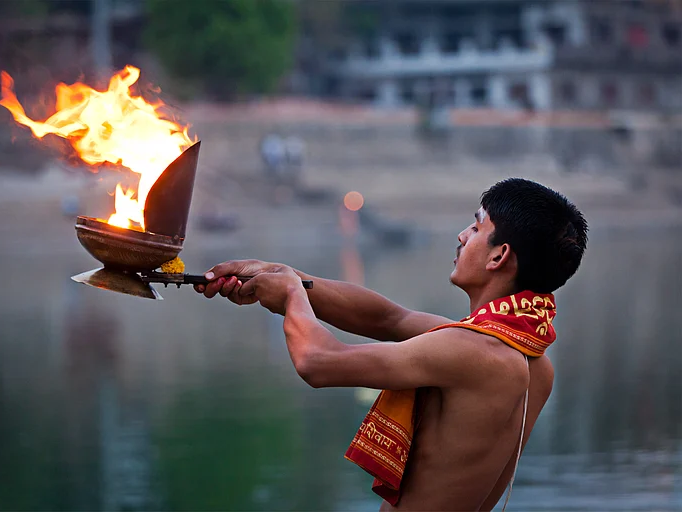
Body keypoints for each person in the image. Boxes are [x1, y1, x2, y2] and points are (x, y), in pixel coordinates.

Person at [195, 178, 588, 511]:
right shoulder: (525, 358)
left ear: (499, 255)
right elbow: (387, 318)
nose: (462, 235)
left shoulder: (470, 352)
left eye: (476, 227)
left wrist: (291, 296)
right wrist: (279, 273)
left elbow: (318, 361)